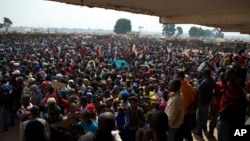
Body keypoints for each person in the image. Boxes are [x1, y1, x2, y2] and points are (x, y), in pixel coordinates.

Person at [194, 69, 216, 138]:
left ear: (205, 74)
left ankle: (199, 131)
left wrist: (196, 88)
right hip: (208, 101)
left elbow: (199, 91)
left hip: (202, 101)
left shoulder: (203, 82)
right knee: (205, 115)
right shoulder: (212, 81)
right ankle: (204, 127)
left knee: (199, 117)